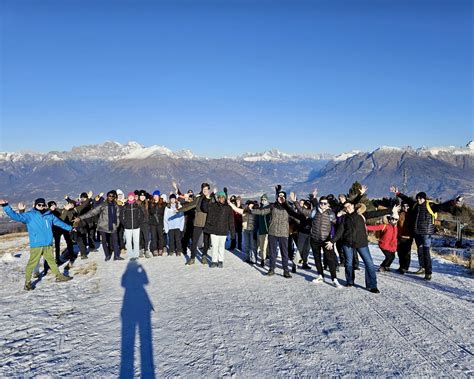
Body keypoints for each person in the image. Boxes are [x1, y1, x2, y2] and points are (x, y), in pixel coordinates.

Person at [0, 198, 73, 290]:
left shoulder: (49, 215)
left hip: (48, 244)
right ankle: (27, 283)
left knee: (52, 262)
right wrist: (6, 206)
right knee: (32, 264)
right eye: (39, 205)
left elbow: (59, 223)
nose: (41, 207)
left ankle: (59, 276)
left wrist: (70, 228)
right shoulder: (30, 215)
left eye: (43, 205)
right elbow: (15, 216)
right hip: (37, 245)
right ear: (35, 205)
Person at [391, 187, 463, 280]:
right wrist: (398, 193)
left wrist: (454, 201)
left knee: (426, 252)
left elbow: (443, 206)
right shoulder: (415, 205)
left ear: (424, 199)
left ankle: (428, 273)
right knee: (420, 252)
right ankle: (422, 268)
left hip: (426, 233)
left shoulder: (431, 206)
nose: (419, 199)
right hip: (417, 233)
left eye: (421, 198)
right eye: (418, 198)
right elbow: (407, 199)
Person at [328, 201, 397, 293]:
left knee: (369, 264)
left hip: (361, 243)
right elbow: (340, 231)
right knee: (349, 263)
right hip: (347, 243)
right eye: (345, 207)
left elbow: (375, 213)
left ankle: (372, 285)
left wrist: (390, 210)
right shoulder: (344, 218)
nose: (347, 208)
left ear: (353, 206)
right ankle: (350, 281)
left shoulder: (361, 215)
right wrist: (332, 241)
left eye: (348, 206)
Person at [290, 192, 341, 287]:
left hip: (326, 240)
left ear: (328, 204)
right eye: (321, 202)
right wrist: (295, 201)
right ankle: (320, 275)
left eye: (325, 203)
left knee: (330, 259)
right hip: (314, 239)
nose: (322, 204)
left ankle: (334, 279)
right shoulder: (314, 211)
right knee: (317, 259)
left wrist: (332, 240)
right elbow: (302, 210)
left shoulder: (331, 213)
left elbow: (336, 225)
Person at [74, 190, 124, 261]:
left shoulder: (116, 205)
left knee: (115, 241)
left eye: (113, 196)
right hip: (103, 226)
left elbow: (118, 216)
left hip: (113, 226)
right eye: (109, 196)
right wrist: (80, 217)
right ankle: (107, 255)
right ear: (107, 196)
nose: (111, 197)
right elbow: (92, 212)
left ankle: (116, 256)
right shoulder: (103, 205)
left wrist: (117, 224)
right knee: (104, 241)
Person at [178, 183, 212, 265]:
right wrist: (179, 209)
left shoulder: (212, 199)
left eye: (207, 189)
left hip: (208, 222)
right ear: (202, 190)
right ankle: (192, 258)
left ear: (209, 190)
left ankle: (204, 256)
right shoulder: (198, 199)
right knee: (194, 241)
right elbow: (189, 205)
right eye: (204, 189)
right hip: (198, 223)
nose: (205, 191)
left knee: (206, 241)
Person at [201, 190, 235, 268]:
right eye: (220, 197)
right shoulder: (213, 206)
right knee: (214, 246)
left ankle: (220, 260)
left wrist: (233, 232)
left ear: (225, 198)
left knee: (221, 246)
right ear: (217, 198)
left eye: (223, 197)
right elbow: (205, 208)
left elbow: (231, 221)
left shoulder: (228, 208)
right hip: (214, 230)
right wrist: (206, 197)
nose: (221, 198)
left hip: (223, 230)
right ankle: (214, 261)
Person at [120, 192, 144, 261]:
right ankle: (130, 255)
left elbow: (141, 215)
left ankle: (136, 254)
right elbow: (121, 216)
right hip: (128, 227)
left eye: (132, 196)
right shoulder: (125, 206)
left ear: (134, 197)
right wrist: (124, 224)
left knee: (136, 241)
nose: (131, 197)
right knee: (128, 241)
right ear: (128, 197)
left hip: (136, 226)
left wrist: (139, 223)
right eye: (129, 196)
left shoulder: (137, 205)